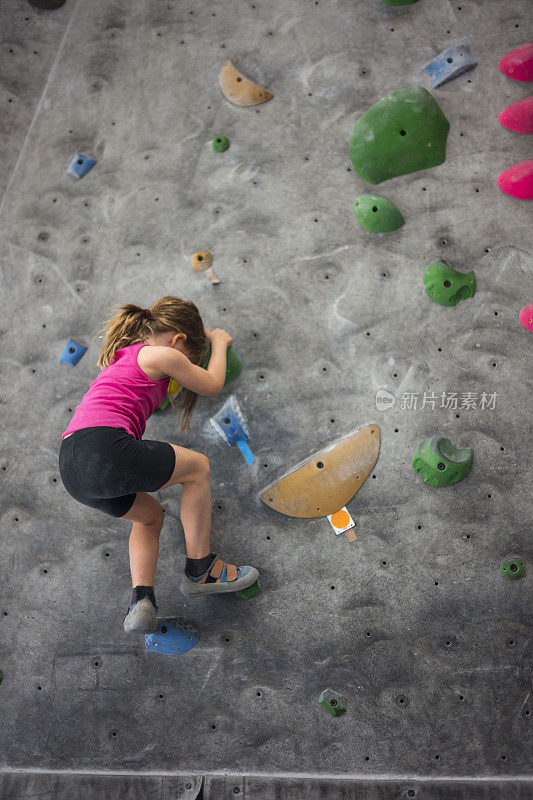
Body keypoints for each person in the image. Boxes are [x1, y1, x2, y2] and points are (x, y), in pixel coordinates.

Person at [58, 295, 259, 634]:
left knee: (149, 517)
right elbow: (210, 385)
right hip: (106, 446)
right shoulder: (163, 354)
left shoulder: (121, 357)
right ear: (179, 339)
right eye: (189, 359)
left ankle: (141, 600)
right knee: (197, 469)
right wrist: (220, 343)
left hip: (71, 466)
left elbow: (148, 393)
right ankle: (201, 569)